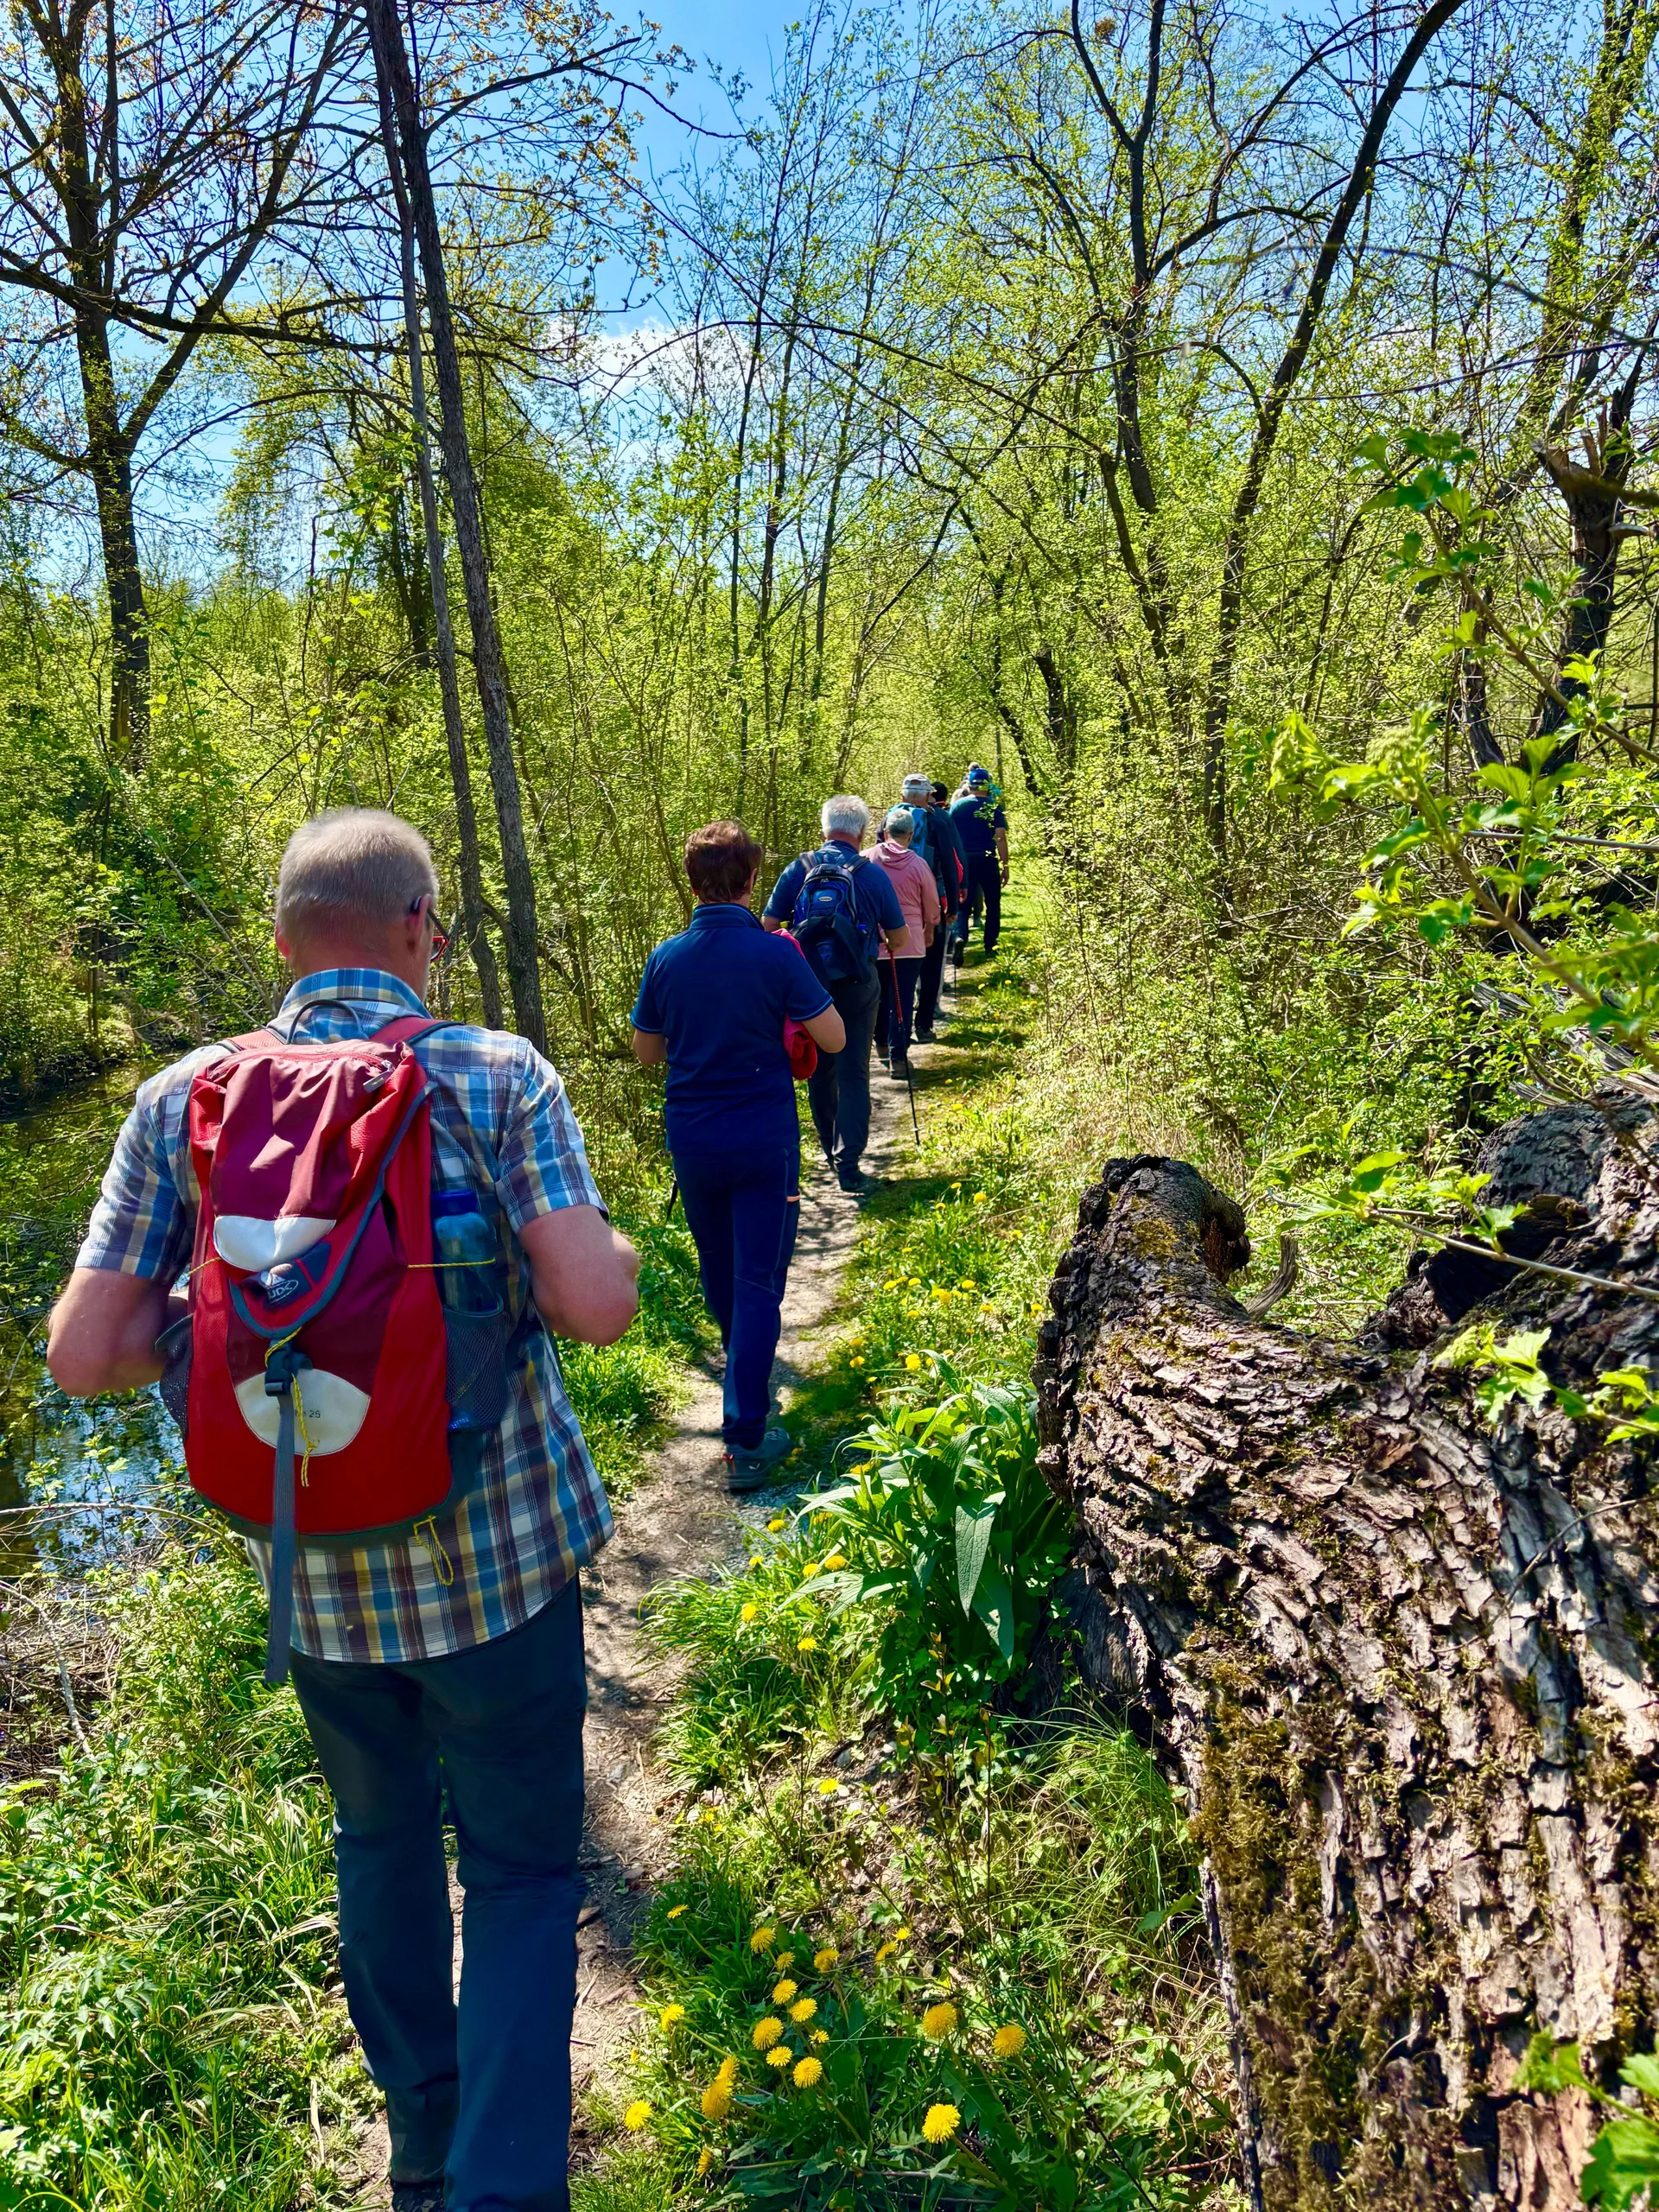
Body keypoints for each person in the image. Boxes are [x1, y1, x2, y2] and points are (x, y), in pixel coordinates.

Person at [46, 809, 641, 2212]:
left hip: (313, 1583)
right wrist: (593, 1247)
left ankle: (423, 2148)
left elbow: (82, 1355)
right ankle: (504, 2187)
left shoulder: (180, 1098)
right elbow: (599, 1308)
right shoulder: (493, 1076)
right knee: (511, 1874)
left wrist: (210, 1331)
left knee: (376, 1843)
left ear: (280, 942)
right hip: (501, 1574)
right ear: (423, 929)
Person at [630, 821, 846, 1487]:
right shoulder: (777, 955)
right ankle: (746, 1433)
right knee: (758, 1283)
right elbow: (833, 1039)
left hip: (694, 1140)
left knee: (721, 1272)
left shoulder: (667, 957)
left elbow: (647, 1051)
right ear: (753, 881)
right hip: (763, 1139)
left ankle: (744, 1391)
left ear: (691, 883)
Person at [762, 795, 904, 1198]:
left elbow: (769, 926)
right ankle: (850, 1165)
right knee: (854, 1073)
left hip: (807, 988)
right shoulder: (873, 875)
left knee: (820, 1072)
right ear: (861, 832)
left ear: (823, 829)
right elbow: (900, 937)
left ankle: (829, 1150)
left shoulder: (798, 869)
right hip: (858, 986)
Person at [868, 805, 939, 1077]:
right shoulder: (919, 864)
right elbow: (931, 905)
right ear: (911, 835)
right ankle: (899, 1060)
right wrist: (929, 929)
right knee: (902, 997)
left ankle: (881, 1044)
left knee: (877, 997)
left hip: (874, 941)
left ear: (885, 833)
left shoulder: (865, 860)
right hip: (909, 941)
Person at [915, 779, 967, 1040]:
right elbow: (950, 860)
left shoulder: (890, 820)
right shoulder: (940, 819)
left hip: (896, 906)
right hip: (934, 899)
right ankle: (925, 1021)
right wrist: (955, 904)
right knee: (932, 962)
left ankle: (891, 1038)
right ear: (929, 796)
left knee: (899, 967)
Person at [949, 764, 1010, 958]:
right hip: (987, 859)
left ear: (970, 785)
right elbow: (1000, 837)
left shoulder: (958, 806)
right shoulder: (994, 806)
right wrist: (1005, 865)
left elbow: (949, 834)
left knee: (963, 902)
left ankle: (960, 937)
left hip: (964, 860)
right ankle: (990, 945)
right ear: (988, 785)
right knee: (993, 902)